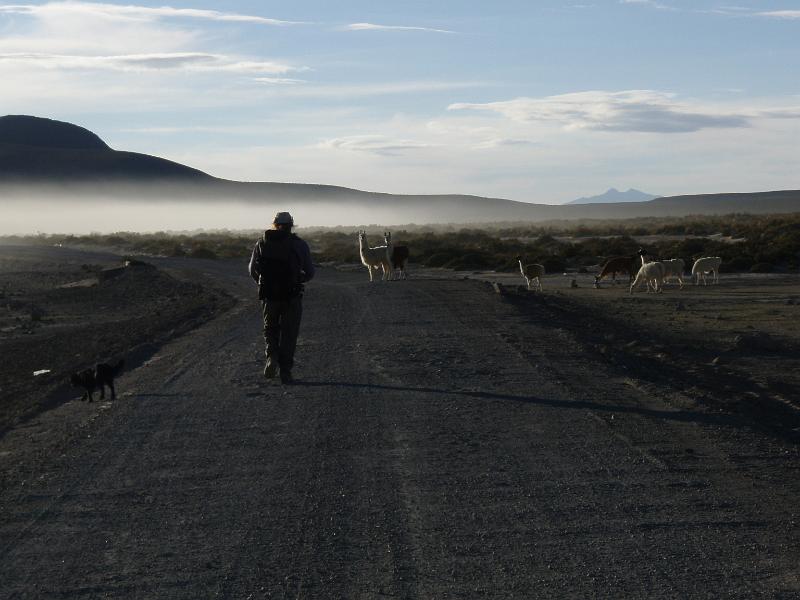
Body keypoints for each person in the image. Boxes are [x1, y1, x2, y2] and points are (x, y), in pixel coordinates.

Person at [248, 212, 314, 384]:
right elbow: (310, 272)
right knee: (289, 334)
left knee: (270, 329)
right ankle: (285, 371)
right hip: (291, 295)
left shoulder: (261, 243)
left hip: (269, 296)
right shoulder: (299, 245)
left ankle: (271, 357)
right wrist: (299, 279)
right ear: (291, 225)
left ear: (274, 224)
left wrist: (262, 284)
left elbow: (252, 270)